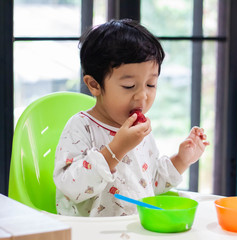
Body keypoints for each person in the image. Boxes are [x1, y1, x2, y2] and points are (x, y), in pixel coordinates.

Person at [53, 19, 210, 217]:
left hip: (137, 230)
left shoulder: (139, 130)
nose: (143, 95)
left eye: (151, 84)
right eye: (129, 86)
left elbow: (150, 185)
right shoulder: (81, 127)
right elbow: (71, 188)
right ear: (94, 85)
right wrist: (116, 149)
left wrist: (181, 160)